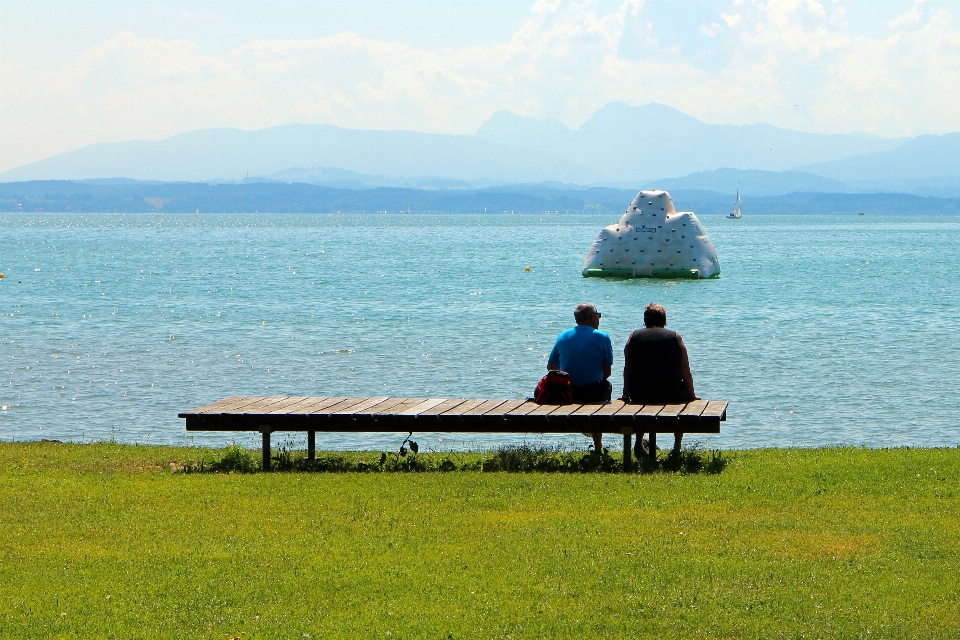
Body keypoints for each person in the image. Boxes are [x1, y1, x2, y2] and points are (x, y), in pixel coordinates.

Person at [620, 303, 699, 458]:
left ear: (645, 320)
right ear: (664, 320)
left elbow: (628, 368)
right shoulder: (675, 337)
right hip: (671, 393)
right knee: (682, 401)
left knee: (642, 403)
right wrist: (692, 394)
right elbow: (685, 370)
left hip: (640, 393)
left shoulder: (633, 336)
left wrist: (626, 393)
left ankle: (638, 443)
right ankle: (676, 447)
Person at [547, 303, 613, 451]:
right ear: (591, 317)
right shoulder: (603, 337)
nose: (599, 318)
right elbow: (607, 372)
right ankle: (598, 445)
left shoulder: (563, 336)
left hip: (568, 393)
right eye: (598, 315)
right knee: (606, 385)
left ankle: (593, 438)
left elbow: (551, 367)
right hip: (593, 393)